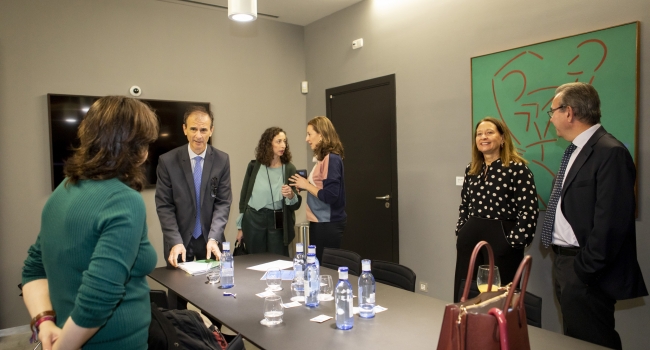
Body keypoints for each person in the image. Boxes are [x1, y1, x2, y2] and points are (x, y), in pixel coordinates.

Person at [22, 96, 159, 350]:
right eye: (146, 144)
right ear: (136, 149)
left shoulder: (63, 189)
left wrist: (45, 322)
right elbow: (98, 298)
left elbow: (33, 269)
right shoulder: (124, 200)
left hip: (69, 333)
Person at [542, 82, 647, 349]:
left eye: (552, 111)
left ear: (568, 112)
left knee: (594, 341)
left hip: (585, 271)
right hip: (565, 263)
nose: (551, 117)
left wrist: (583, 271)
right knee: (576, 339)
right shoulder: (575, 151)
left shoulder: (610, 152)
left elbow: (611, 224)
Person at [155, 105, 232, 309]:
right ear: (184, 129)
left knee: (215, 297)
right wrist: (174, 240)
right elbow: (164, 205)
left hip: (210, 241)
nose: (198, 136)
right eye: (193, 129)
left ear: (211, 131)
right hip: (179, 240)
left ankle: (213, 339)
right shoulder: (167, 161)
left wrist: (214, 236)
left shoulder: (222, 160)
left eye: (204, 130)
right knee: (178, 300)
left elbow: (223, 202)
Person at [454, 116, 538, 302]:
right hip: (470, 240)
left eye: (489, 132)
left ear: (502, 138)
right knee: (466, 294)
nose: (483, 137)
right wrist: (461, 230)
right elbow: (465, 205)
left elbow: (529, 211)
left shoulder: (518, 169)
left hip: (503, 242)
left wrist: (513, 242)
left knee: (499, 300)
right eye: (479, 134)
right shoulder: (472, 169)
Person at [235, 127, 302, 256]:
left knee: (278, 261)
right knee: (254, 261)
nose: (283, 145)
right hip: (253, 219)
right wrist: (240, 227)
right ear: (268, 144)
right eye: (278, 141)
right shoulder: (254, 166)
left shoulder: (289, 168)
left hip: (278, 221)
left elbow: (295, 205)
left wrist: (291, 195)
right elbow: (244, 197)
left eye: (284, 141)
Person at [290, 116, 346, 261]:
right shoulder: (324, 159)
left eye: (309, 134)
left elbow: (330, 196)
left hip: (328, 224)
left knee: (326, 270)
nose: (306, 139)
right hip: (320, 222)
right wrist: (304, 187)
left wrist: (306, 185)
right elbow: (321, 188)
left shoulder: (332, 159)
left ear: (321, 135)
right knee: (319, 267)